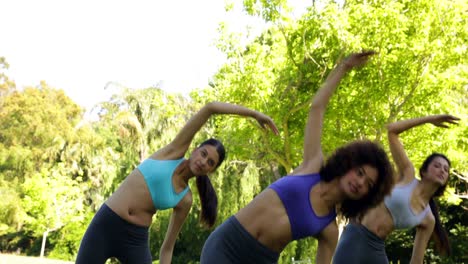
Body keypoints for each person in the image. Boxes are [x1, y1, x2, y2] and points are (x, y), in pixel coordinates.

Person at [199, 51, 394, 264]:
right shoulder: (313, 166)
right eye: (360, 172)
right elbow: (317, 108)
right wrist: (343, 67)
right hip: (227, 245)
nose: (359, 182)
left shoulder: (329, 230)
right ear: (349, 163)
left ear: (368, 195)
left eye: (368, 183)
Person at [75, 102, 279, 264]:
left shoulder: (185, 200)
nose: (203, 161)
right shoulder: (172, 152)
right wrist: (254, 114)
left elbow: (167, 247)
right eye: (204, 153)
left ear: (211, 171)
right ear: (195, 149)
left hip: (135, 240)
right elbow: (210, 108)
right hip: (106, 224)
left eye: (210, 163)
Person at [333, 114, 460, 264]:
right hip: (356, 235)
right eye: (437, 166)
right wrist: (428, 120)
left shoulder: (428, 219)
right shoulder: (407, 175)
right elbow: (392, 131)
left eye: (446, 169)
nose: (442, 170)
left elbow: (416, 261)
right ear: (424, 171)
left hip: (377, 248)